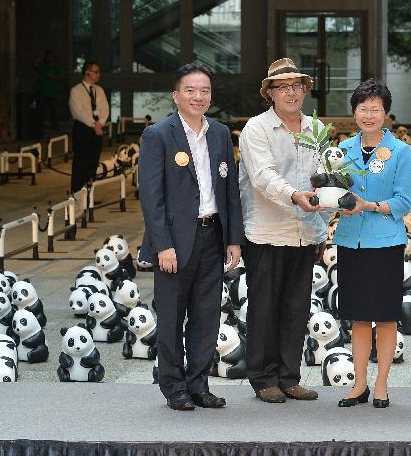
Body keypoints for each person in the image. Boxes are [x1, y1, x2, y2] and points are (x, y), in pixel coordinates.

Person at [137, 63, 244, 411]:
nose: (198, 97)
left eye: (205, 91)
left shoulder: (219, 134)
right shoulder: (158, 135)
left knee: (207, 315)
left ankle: (199, 383)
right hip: (174, 243)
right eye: (191, 90)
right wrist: (163, 245)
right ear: (176, 94)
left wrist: (233, 238)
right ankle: (173, 386)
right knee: (171, 317)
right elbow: (151, 197)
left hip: (212, 237)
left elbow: (230, 191)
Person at [238, 58, 326, 404]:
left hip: (304, 231)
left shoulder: (314, 129)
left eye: (296, 86)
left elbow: (322, 175)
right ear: (270, 93)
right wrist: (294, 195)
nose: (290, 92)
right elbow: (262, 177)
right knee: (265, 307)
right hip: (266, 231)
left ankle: (289, 376)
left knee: (296, 307)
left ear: (304, 90)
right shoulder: (256, 129)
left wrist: (321, 227)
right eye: (282, 87)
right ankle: (262, 378)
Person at [332, 78, 411, 409]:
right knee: (358, 317)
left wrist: (370, 206)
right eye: (362, 109)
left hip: (385, 243)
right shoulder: (341, 150)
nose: (368, 115)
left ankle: (382, 385)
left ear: (386, 113)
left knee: (386, 316)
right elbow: (335, 192)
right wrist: (336, 201)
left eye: (375, 109)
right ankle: (359, 384)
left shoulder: (400, 151)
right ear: (354, 112)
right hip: (351, 242)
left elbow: (404, 200)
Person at [69, 61, 109, 193]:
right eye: (96, 71)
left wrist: (100, 123)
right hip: (83, 128)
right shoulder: (76, 90)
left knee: (93, 161)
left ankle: (88, 195)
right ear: (87, 72)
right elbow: (77, 111)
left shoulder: (99, 90)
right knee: (81, 161)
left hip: (97, 129)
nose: (98, 74)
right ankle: (76, 193)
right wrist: (92, 124)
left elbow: (105, 109)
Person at [34, 50, 62, 133]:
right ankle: (40, 127)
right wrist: (39, 59)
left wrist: (52, 77)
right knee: (41, 110)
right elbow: (34, 65)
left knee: (54, 110)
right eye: (47, 57)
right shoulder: (42, 66)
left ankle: (55, 127)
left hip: (52, 92)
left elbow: (60, 77)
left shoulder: (55, 67)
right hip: (42, 92)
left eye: (50, 57)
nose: (49, 58)